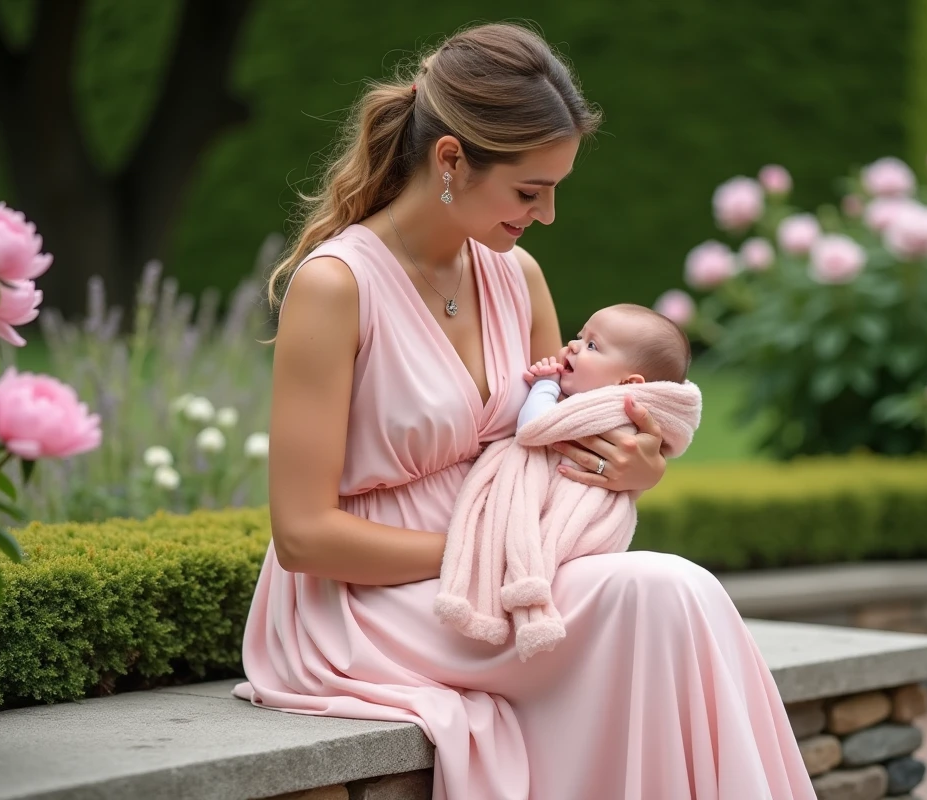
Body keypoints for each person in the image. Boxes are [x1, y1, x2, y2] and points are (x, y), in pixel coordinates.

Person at [232, 21, 816, 800]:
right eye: (528, 192)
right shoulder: (337, 286)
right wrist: (484, 548)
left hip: (508, 577)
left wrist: (634, 467)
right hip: (364, 602)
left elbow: (557, 434)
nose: (545, 216)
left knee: (673, 593)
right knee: (658, 595)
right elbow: (303, 537)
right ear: (450, 161)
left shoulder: (519, 277)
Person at [516, 302, 693, 431]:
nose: (572, 344)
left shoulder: (608, 419)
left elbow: (534, 426)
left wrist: (545, 386)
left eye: (592, 345)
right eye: (580, 336)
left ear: (627, 384)